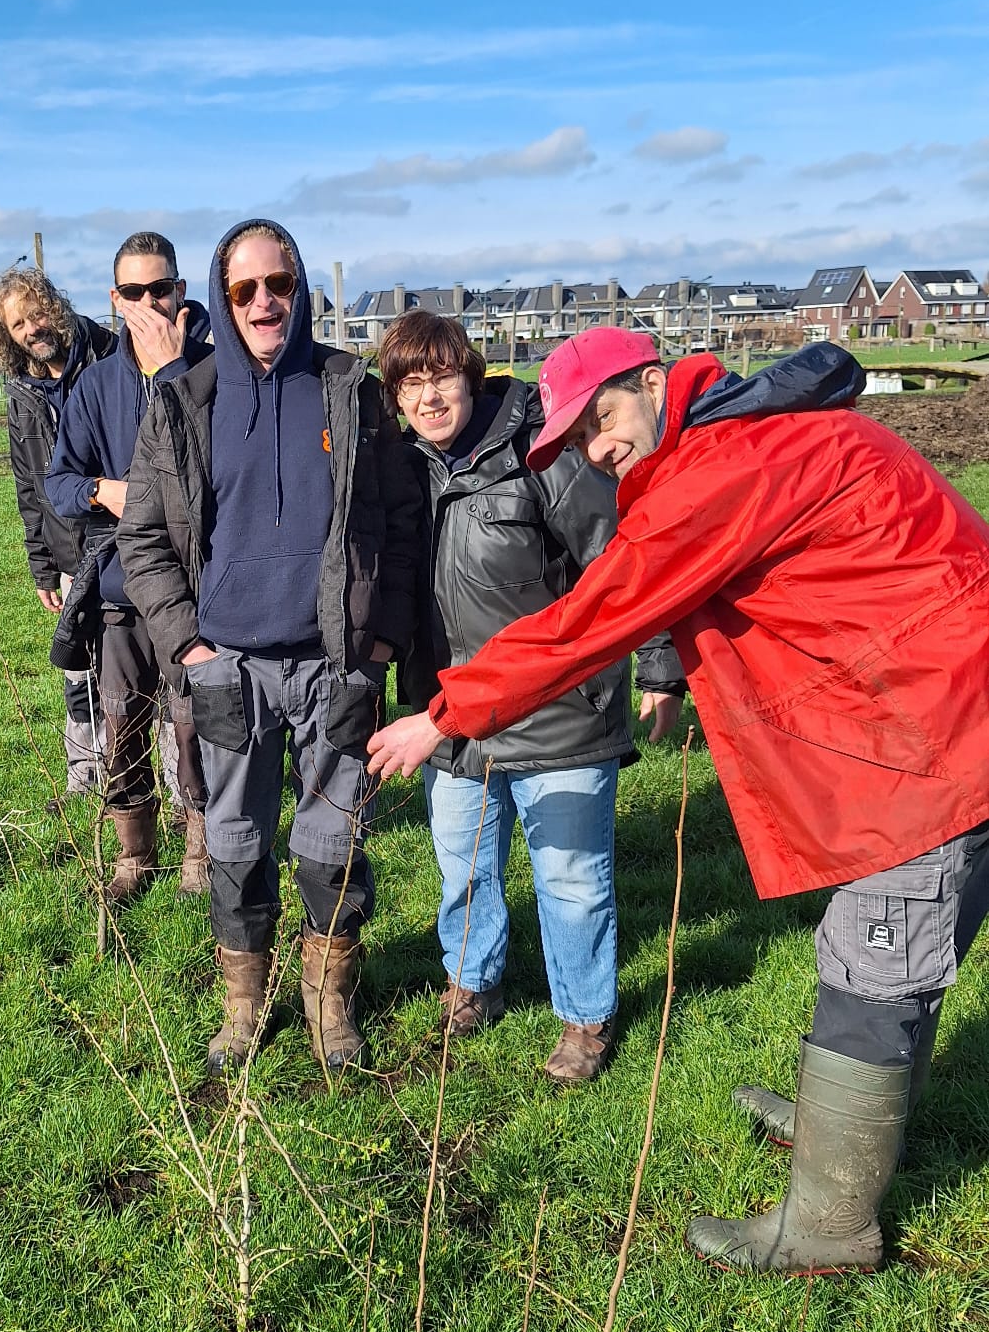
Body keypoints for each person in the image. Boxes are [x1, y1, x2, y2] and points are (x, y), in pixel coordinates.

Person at [367, 326, 989, 1274]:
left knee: (878, 961)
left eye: (604, 421)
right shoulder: (752, 438)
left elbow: (587, 621)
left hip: (936, 736)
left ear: (656, 382)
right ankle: (835, 1121)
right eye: (577, 440)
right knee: (881, 950)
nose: (597, 450)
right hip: (918, 716)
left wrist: (443, 714)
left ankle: (829, 1226)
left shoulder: (725, 468)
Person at [119, 219, 423, 1077]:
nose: (264, 302)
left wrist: (377, 650)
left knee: (331, 850)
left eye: (279, 284)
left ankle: (331, 1005)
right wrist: (188, 649)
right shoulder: (182, 404)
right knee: (236, 846)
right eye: (245, 289)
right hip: (230, 673)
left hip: (335, 665)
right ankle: (244, 1009)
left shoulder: (349, 391)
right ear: (222, 297)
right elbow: (142, 541)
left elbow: (401, 528)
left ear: (301, 290)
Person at [380, 308, 683, 1083]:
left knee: (572, 877)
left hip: (559, 705)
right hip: (449, 711)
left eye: (442, 377)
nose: (430, 399)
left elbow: (619, 565)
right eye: (411, 385)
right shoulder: (399, 469)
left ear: (470, 375)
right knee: (465, 869)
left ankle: (584, 1016)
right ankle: (471, 982)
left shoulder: (542, 452)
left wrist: (658, 667)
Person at [44, 233, 214, 901]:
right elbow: (57, 483)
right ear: (114, 300)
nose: (148, 303)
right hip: (118, 592)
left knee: (197, 725)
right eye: (133, 292)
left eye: (160, 289)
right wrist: (101, 491)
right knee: (121, 724)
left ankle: (201, 852)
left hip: (197, 592)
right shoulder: (94, 386)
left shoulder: (212, 371)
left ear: (180, 292)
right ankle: (132, 857)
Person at [0, 265, 116, 800]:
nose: (32, 329)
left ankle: (174, 790)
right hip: (67, 551)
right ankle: (84, 776)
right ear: (8, 337)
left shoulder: (108, 354)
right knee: (79, 669)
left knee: (145, 666)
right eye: (17, 325)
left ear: (55, 307)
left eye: (36, 314)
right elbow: (28, 485)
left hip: (127, 539)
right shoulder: (22, 391)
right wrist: (42, 564)